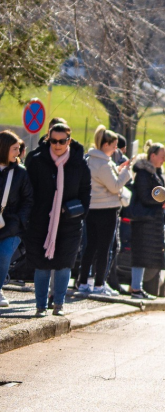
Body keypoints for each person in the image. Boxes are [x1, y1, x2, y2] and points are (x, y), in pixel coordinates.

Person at [24, 123, 90, 317]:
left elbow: (86, 192)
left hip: (69, 222)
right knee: (41, 265)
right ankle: (40, 306)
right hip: (41, 222)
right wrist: (32, 214)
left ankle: (59, 304)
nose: (57, 145)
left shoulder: (79, 164)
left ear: (69, 141)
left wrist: (80, 212)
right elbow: (28, 191)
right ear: (48, 139)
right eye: (53, 141)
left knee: (64, 264)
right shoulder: (37, 161)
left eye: (62, 141)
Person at [77, 126, 131, 296]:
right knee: (104, 248)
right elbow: (114, 186)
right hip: (106, 209)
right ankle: (99, 284)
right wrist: (126, 173)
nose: (116, 149)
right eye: (114, 145)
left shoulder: (91, 159)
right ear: (106, 144)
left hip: (92, 208)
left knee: (90, 247)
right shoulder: (103, 163)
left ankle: (83, 281)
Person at [126, 142, 165, 298]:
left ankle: (137, 287)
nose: (164, 160)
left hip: (150, 221)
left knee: (144, 256)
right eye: (162, 156)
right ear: (153, 156)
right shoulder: (144, 174)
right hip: (144, 220)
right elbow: (145, 196)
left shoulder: (154, 173)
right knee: (140, 254)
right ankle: (136, 288)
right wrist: (160, 202)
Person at [0, 131, 32, 307]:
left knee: (4, 254)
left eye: (19, 149)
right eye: (14, 149)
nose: (18, 152)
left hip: (12, 225)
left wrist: (20, 220)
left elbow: (28, 200)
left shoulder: (21, 173)